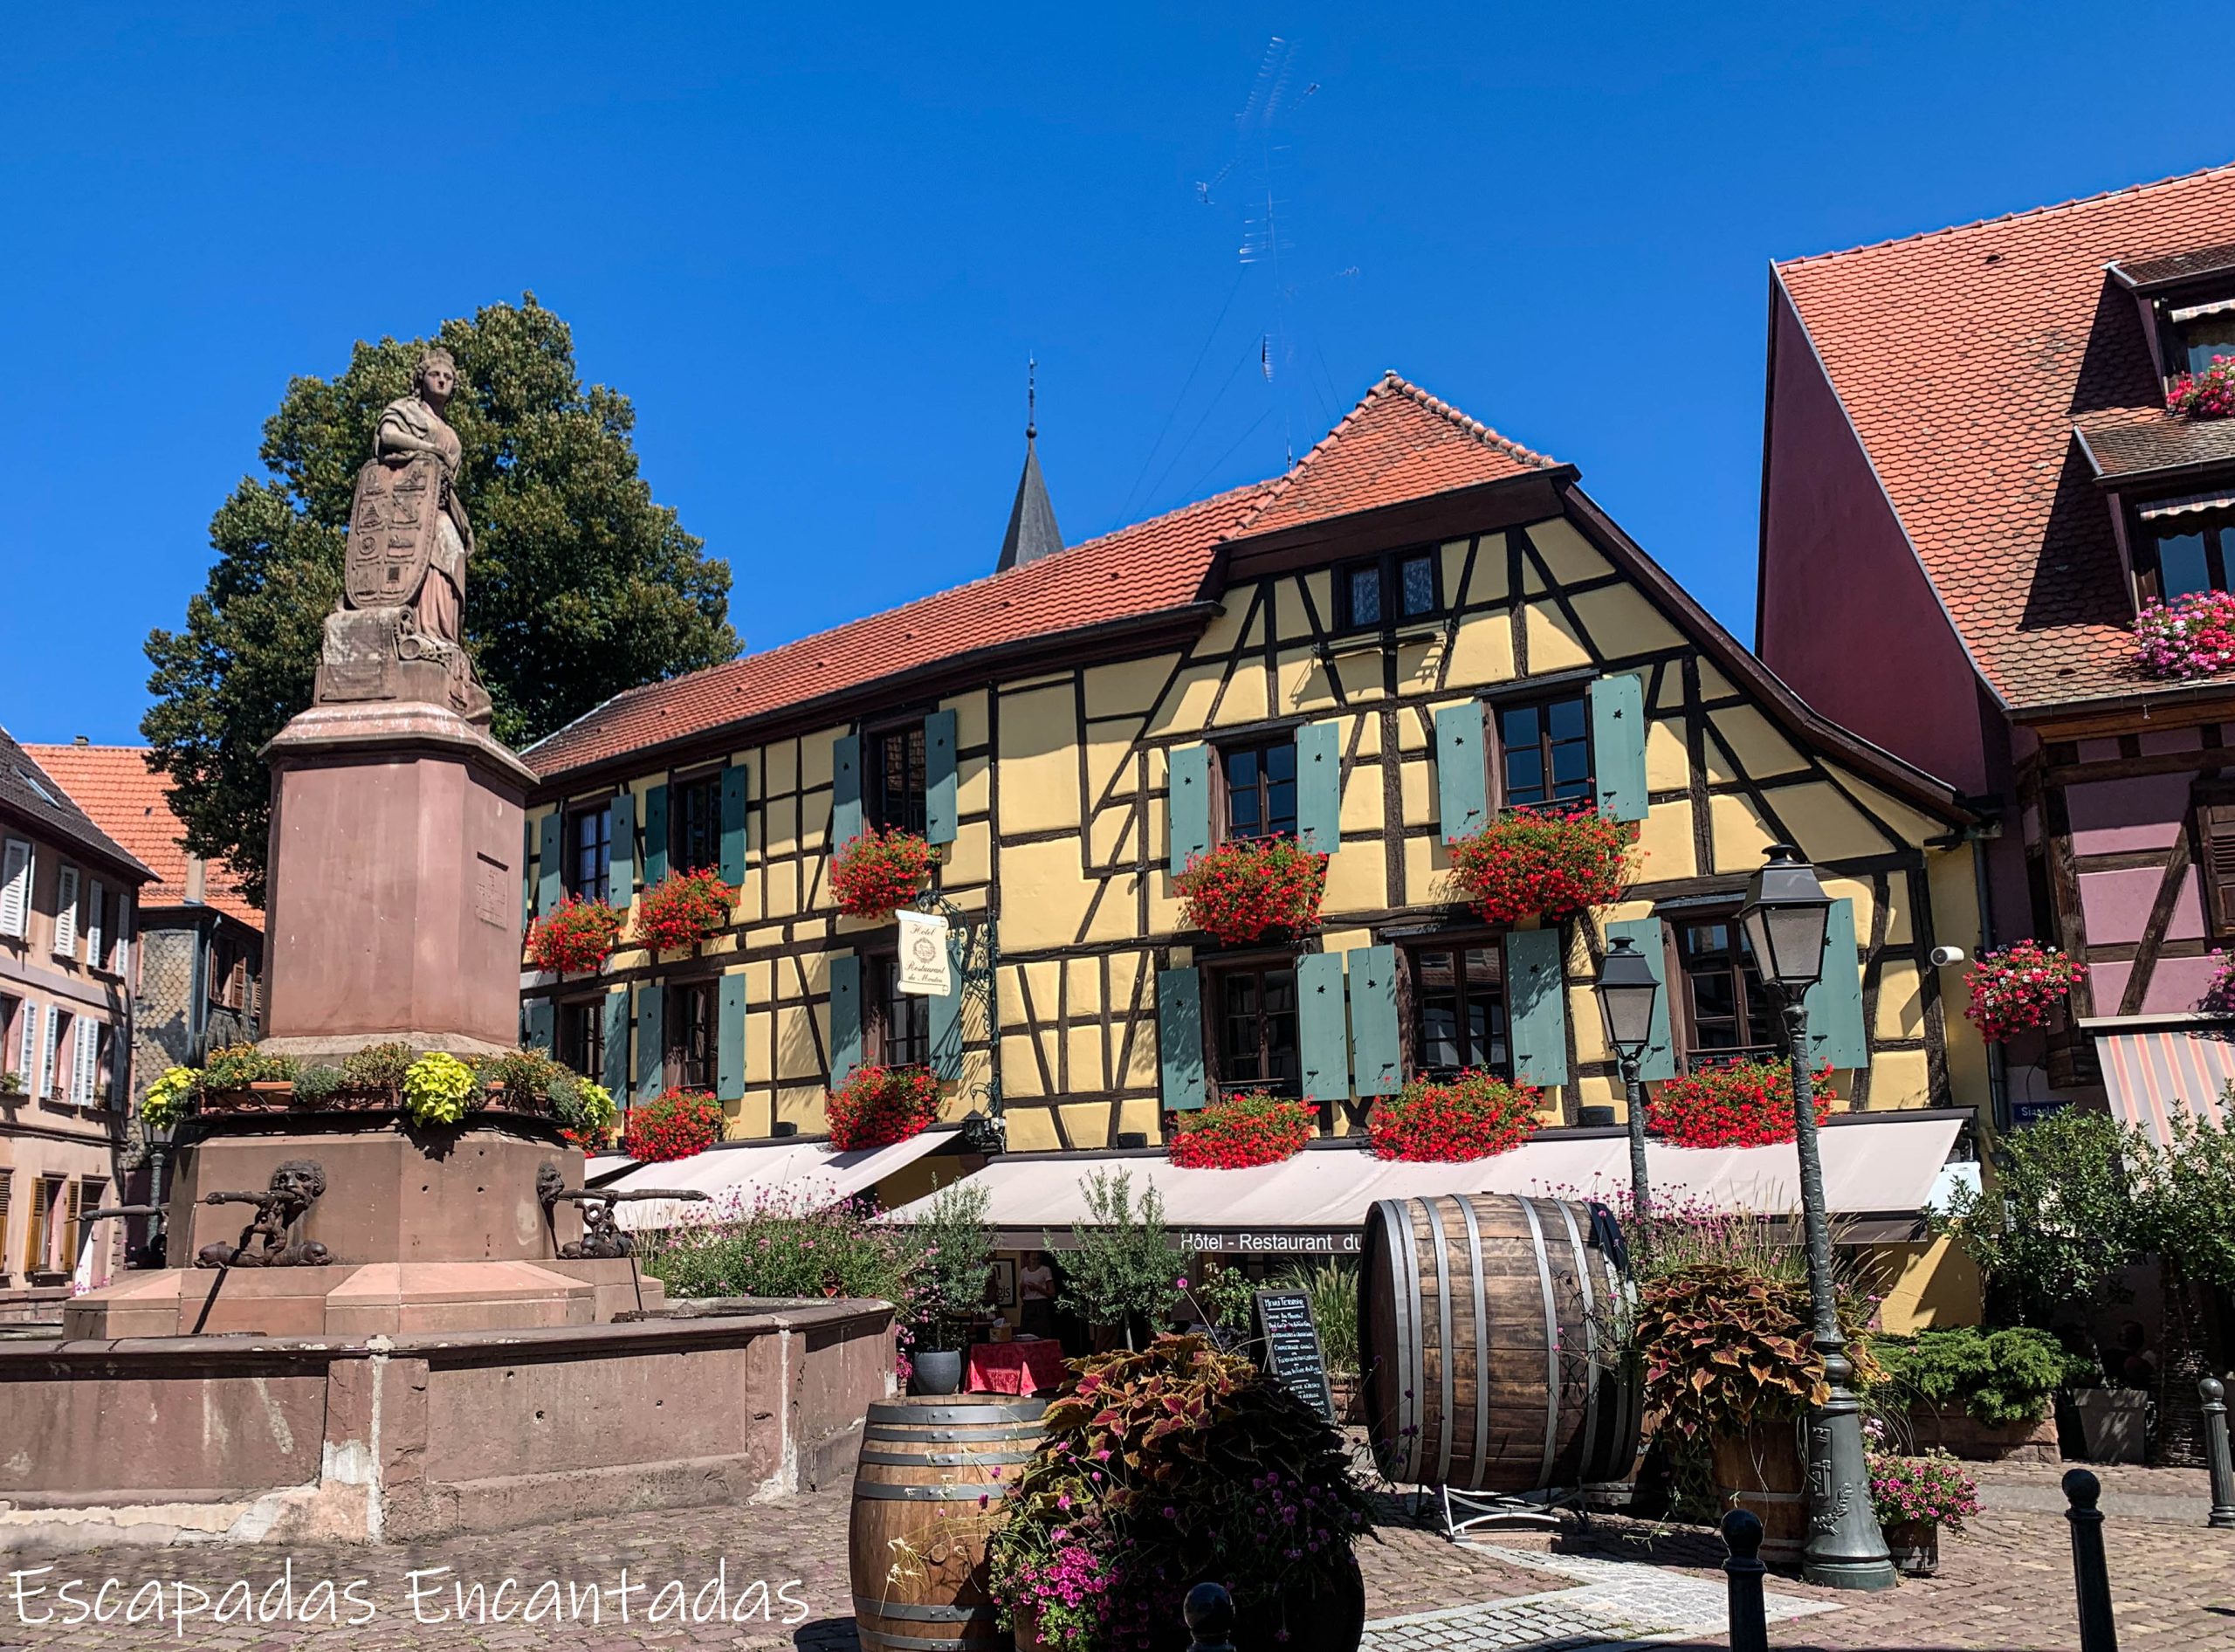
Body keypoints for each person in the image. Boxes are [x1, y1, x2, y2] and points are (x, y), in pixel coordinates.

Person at [1017, 1251, 1056, 1339]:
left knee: (1042, 1332)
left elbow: (1052, 1293)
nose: (1036, 1261)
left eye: (1038, 1259)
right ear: (1028, 1259)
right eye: (1033, 1259)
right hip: (1028, 1304)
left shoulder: (1045, 1270)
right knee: (1026, 1332)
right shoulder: (1023, 1272)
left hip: (1041, 1304)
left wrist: (1038, 1288)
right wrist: (1022, 1288)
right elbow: (1021, 1295)